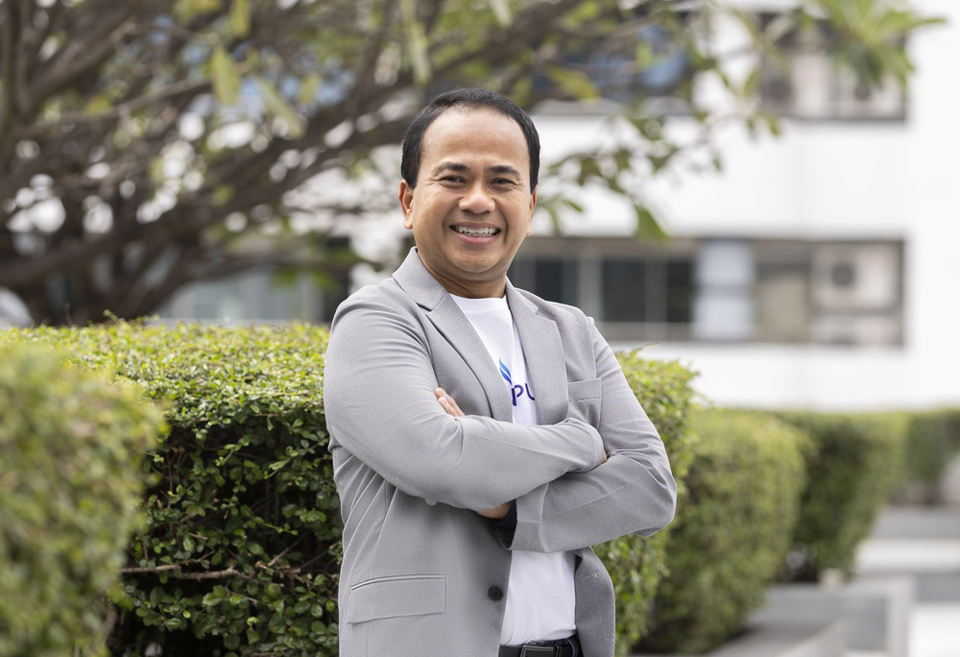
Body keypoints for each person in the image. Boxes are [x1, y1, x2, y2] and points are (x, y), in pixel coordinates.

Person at [323, 88, 676, 657]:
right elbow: (442, 459)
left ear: (529, 207)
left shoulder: (571, 330)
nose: (478, 201)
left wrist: (510, 510)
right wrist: (583, 442)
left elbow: (651, 488)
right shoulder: (375, 320)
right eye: (454, 178)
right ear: (408, 201)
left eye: (502, 181)